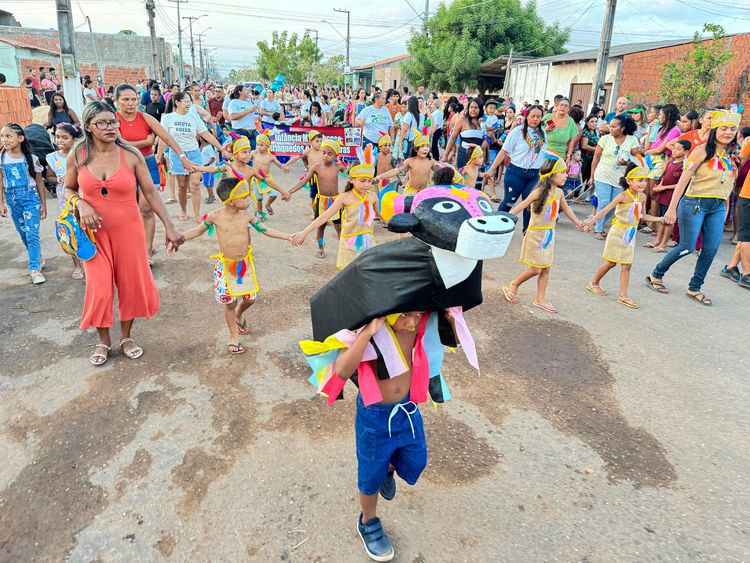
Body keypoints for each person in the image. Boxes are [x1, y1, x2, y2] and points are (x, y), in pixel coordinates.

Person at [62, 102, 183, 365]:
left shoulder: (130, 154)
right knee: (100, 288)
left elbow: (150, 192)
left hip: (129, 231)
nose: (110, 127)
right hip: (94, 235)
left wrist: (169, 226)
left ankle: (126, 336)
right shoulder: (78, 154)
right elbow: (69, 189)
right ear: (88, 127)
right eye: (102, 123)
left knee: (130, 286)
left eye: (113, 122)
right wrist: (80, 203)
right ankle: (103, 340)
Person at [180, 177, 292, 354]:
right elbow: (197, 230)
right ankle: (233, 336)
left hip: (244, 266)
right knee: (229, 303)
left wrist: (288, 236)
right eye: (245, 197)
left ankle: (239, 314)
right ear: (231, 201)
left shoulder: (247, 215)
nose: (249, 200)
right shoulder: (214, 216)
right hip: (226, 266)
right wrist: (180, 238)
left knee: (250, 299)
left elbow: (265, 230)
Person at [647, 112, 740, 305]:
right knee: (687, 247)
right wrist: (671, 209)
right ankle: (656, 274)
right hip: (694, 204)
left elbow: (727, 184)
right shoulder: (702, 151)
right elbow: (683, 180)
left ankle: (695, 287)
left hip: (717, 207)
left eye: (732, 129)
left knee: (711, 249)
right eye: (723, 128)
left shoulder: (732, 154)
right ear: (715, 130)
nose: (728, 132)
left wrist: (724, 209)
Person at [115, 84, 204, 259]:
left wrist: (183, 157)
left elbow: (168, 138)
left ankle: (147, 253)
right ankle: (131, 248)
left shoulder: (146, 118)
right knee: (127, 211)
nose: (131, 103)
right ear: (116, 101)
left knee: (146, 209)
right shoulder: (113, 119)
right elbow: (120, 143)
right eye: (125, 99)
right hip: (122, 166)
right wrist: (147, 141)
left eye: (134, 99)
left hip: (147, 165)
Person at [501, 157, 586, 312]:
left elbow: (567, 210)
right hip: (535, 235)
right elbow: (519, 207)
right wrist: (502, 219)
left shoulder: (559, 193)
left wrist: (578, 223)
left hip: (549, 235)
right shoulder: (538, 192)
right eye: (562, 172)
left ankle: (540, 299)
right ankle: (514, 284)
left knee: (546, 268)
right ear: (551, 175)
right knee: (536, 269)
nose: (566, 175)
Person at [585, 162, 663, 309]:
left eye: (645, 180)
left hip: (630, 234)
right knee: (611, 263)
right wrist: (591, 223)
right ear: (629, 181)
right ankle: (593, 282)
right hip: (617, 233)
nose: (643, 183)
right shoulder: (622, 196)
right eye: (640, 180)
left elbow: (643, 216)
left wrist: (660, 219)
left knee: (627, 265)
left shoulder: (643, 197)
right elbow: (604, 210)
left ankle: (623, 296)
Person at [291, 155, 380, 270]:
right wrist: (304, 232)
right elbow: (324, 217)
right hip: (349, 244)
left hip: (368, 241)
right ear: (351, 179)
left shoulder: (372, 196)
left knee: (368, 272)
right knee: (349, 275)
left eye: (369, 181)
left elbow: (380, 215)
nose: (367, 184)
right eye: (362, 181)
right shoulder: (344, 198)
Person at [158, 91, 228, 222]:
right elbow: (163, 138)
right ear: (177, 103)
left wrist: (221, 148)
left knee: (195, 184)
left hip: (194, 153)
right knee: (182, 186)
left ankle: (197, 215)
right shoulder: (168, 118)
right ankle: (183, 210)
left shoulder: (194, 118)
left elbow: (206, 134)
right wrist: (158, 154)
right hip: (177, 155)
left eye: (190, 101)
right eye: (186, 101)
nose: (189, 104)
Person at [0, 123, 48, 284]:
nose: (4, 140)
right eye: (2, 136)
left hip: (30, 199)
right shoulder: (1, 158)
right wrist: (2, 203)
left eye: (8, 136)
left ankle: (34, 269)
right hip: (12, 200)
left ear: (20, 139)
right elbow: (0, 182)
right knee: (23, 234)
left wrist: (43, 205)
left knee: (32, 233)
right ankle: (38, 257)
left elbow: (40, 183)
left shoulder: (31, 159)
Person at [486, 105, 547, 230]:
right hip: (516, 173)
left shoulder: (543, 133)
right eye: (532, 116)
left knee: (530, 203)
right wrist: (491, 169)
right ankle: (496, 227)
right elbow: (503, 152)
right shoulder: (517, 131)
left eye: (538, 116)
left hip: (534, 175)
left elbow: (540, 153)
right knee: (509, 202)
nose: (535, 119)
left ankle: (527, 232)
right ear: (526, 117)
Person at [287, 138, 347, 258]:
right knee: (321, 226)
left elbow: (352, 176)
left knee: (339, 226)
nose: (325, 156)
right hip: (321, 202)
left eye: (330, 154)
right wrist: (289, 192)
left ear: (336, 155)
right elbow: (303, 182)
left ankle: (342, 247)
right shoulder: (316, 167)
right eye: (323, 152)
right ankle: (320, 246)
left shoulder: (338, 167)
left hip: (336, 201)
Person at [589, 113, 641, 239]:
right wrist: (592, 176)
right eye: (610, 126)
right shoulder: (605, 139)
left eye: (614, 127)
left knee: (614, 205)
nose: (611, 129)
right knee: (604, 201)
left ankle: (598, 221)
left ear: (622, 128)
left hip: (621, 178)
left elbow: (637, 160)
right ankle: (598, 229)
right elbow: (595, 158)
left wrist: (626, 162)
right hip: (602, 174)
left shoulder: (632, 140)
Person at [45, 123, 84, 278]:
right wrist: (57, 179)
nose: (60, 140)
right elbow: (49, 177)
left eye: (65, 137)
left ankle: (90, 261)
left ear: (73, 140)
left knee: (86, 229)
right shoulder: (52, 158)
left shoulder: (80, 154)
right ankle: (77, 265)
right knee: (71, 230)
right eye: (58, 137)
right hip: (65, 201)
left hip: (83, 197)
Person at [643, 104, 681, 232]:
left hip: (661, 160)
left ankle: (652, 224)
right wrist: (650, 130)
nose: (658, 117)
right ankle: (646, 220)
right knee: (647, 192)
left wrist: (647, 152)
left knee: (654, 194)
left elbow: (660, 149)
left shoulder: (675, 130)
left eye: (660, 114)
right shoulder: (660, 127)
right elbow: (649, 144)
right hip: (651, 159)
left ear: (668, 115)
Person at [648, 139, 689, 252]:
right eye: (674, 148)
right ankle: (657, 240)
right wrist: (659, 186)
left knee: (669, 220)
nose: (674, 151)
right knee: (662, 218)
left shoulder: (683, 166)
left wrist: (664, 187)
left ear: (686, 152)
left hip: (672, 195)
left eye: (678, 149)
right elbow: (664, 177)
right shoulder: (671, 162)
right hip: (663, 194)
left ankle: (664, 243)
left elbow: (681, 184)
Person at [721, 129, 750, 287]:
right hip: (748, 195)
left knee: (747, 235)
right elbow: (739, 163)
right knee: (746, 236)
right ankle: (746, 274)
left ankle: (730, 268)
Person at [250, 132, 291, 217]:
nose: (258, 147)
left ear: (267, 146)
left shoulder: (271, 156)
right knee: (259, 198)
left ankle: (268, 204)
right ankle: (261, 214)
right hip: (256, 179)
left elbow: (279, 164)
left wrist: (284, 167)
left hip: (267, 179)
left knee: (274, 194)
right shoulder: (253, 153)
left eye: (261, 145)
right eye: (257, 144)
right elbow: (245, 158)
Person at [286, 130, 324, 214]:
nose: (319, 143)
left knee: (323, 196)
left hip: (323, 178)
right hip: (313, 178)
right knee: (314, 196)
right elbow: (296, 157)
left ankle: (322, 214)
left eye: (321, 141)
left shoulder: (323, 151)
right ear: (310, 141)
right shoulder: (308, 151)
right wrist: (285, 165)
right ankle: (315, 214)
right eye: (317, 141)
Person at [444, 98, 485, 169]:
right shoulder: (462, 120)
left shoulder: (483, 122)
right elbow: (452, 139)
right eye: (471, 107)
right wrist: (445, 155)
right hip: (464, 155)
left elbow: (488, 141)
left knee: (476, 178)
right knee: (464, 178)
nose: (473, 110)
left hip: (478, 157)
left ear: (480, 109)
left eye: (476, 107)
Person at [228, 85, 260, 149]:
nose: (248, 91)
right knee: (241, 155)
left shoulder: (249, 103)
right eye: (245, 89)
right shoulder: (234, 102)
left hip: (252, 133)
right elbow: (232, 117)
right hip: (240, 133)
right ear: (240, 92)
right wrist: (249, 111)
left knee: (252, 155)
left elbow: (251, 116)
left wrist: (257, 117)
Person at [579, 114, 599, 197]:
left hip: (592, 158)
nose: (594, 123)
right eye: (592, 122)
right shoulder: (585, 132)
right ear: (587, 123)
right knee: (582, 176)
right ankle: (576, 196)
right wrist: (597, 149)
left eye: (596, 122)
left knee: (589, 176)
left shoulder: (595, 132)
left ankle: (584, 196)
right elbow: (584, 146)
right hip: (584, 158)